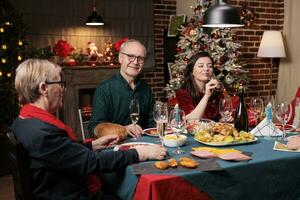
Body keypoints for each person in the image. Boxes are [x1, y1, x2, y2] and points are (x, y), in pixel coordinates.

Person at [11, 59, 167, 199]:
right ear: (44, 88)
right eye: (60, 84)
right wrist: (139, 153)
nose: (63, 90)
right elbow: (91, 162)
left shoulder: (24, 122)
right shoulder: (42, 132)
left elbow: (61, 153)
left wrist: (93, 145)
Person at [88, 39, 155, 138]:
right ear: (120, 58)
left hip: (144, 144)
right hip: (115, 148)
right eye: (131, 56)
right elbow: (94, 129)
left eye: (140, 58)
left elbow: (152, 124)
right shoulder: (104, 89)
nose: (136, 62)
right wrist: (124, 130)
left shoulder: (146, 88)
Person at [176, 51, 223, 121]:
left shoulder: (215, 90)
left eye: (210, 66)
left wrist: (224, 118)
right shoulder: (183, 93)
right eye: (201, 66)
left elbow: (219, 116)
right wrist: (207, 95)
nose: (206, 69)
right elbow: (191, 120)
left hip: (213, 130)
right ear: (191, 71)